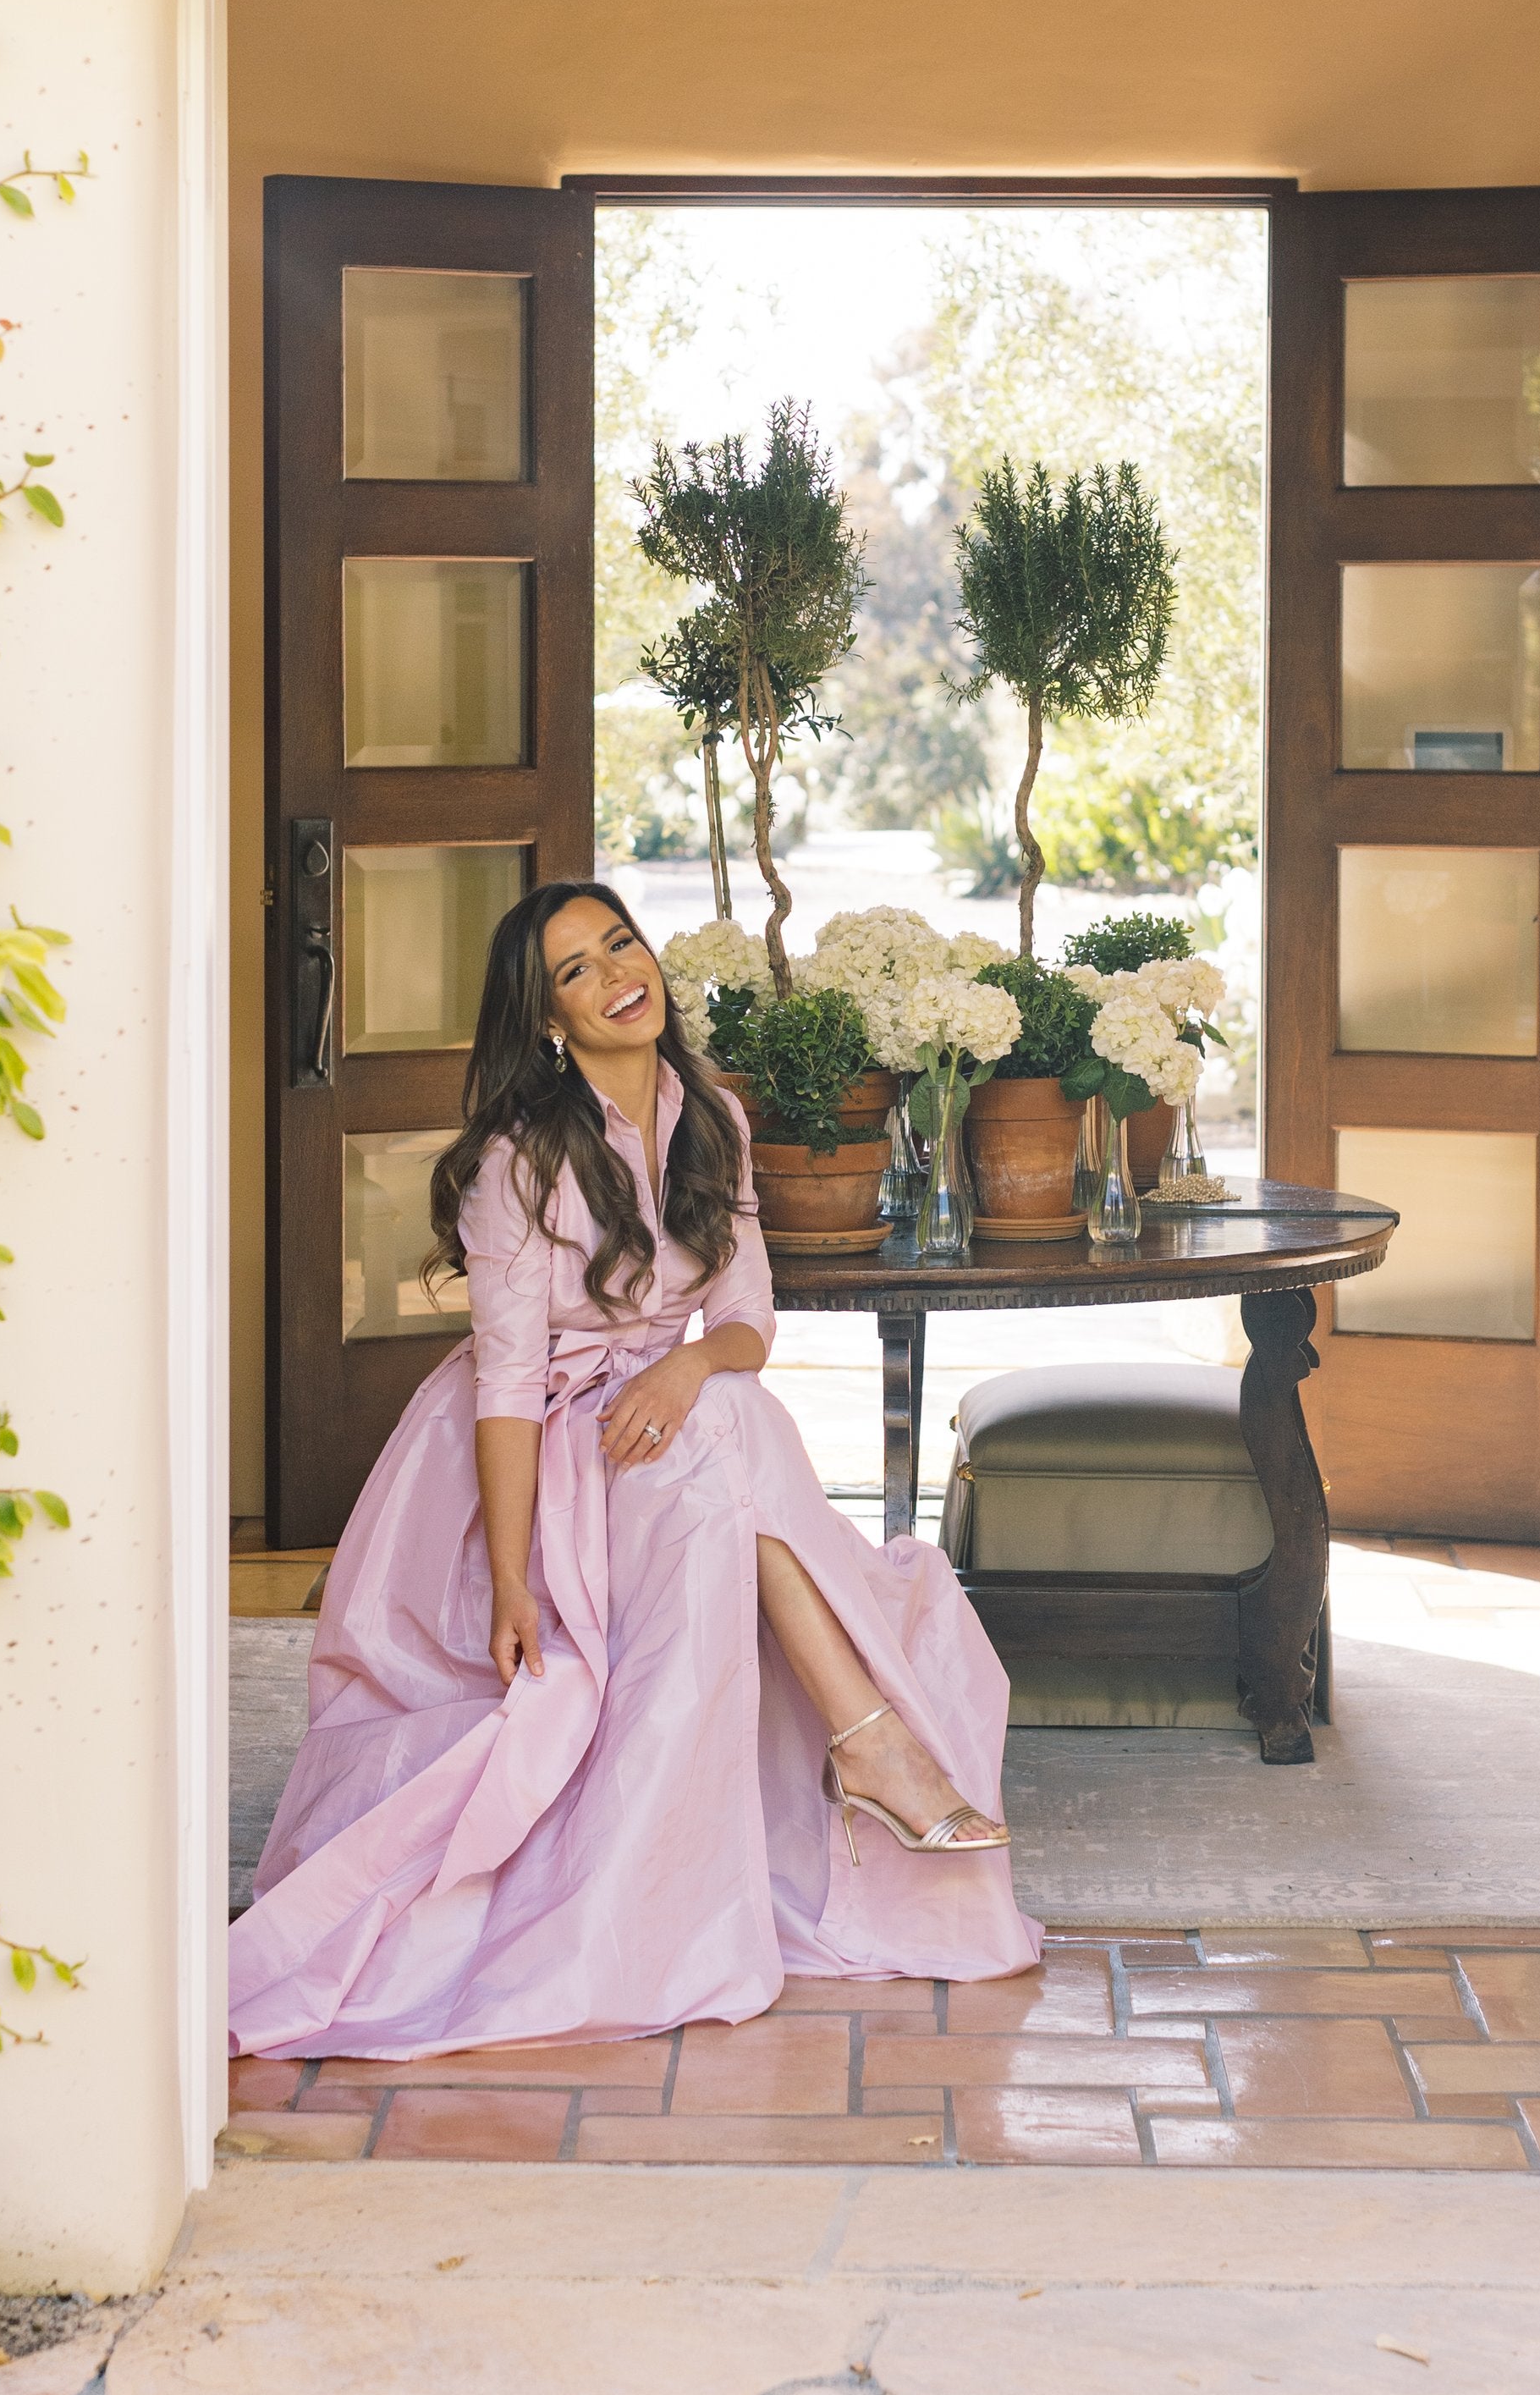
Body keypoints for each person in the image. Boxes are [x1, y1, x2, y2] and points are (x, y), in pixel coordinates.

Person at [229, 879, 1040, 2060]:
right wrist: (511, 1580)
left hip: (675, 1416)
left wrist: (686, 1368)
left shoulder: (710, 1109)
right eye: (575, 968)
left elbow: (750, 1312)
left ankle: (864, 1744)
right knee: (731, 1429)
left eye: (621, 940)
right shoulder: (522, 1156)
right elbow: (506, 1386)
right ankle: (866, 1740)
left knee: (730, 1416)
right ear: (549, 1018)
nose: (618, 970)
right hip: (547, 1438)